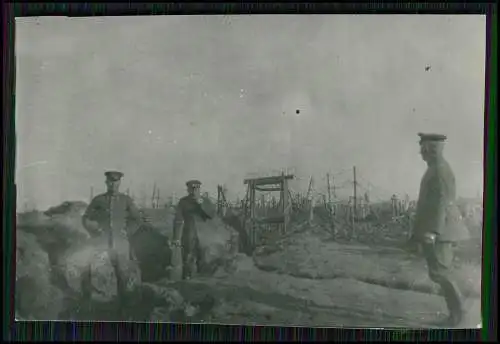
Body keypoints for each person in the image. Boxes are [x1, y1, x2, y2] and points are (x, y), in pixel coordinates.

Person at [407, 133, 470, 327]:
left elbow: (441, 202)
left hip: (441, 231)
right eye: (422, 149)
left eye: (426, 149)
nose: (422, 153)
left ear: (434, 150)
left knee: (441, 272)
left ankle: (459, 314)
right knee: (439, 272)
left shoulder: (439, 170)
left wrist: (433, 231)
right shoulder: (435, 169)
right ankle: (457, 312)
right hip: (439, 230)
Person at [81, 171, 143, 317]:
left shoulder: (126, 200)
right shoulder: (98, 200)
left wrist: (126, 232)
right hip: (102, 244)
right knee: (100, 275)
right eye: (110, 182)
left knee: (125, 276)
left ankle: (127, 309)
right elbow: (85, 218)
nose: (113, 185)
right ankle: (104, 309)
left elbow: (137, 219)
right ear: (106, 183)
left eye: (116, 182)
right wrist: (95, 229)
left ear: (119, 183)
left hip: (121, 244)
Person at [171, 180, 213, 280]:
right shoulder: (183, 202)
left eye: (196, 189)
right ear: (188, 190)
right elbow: (178, 219)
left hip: (205, 235)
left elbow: (211, 215)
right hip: (189, 233)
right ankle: (188, 279)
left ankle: (204, 280)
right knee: (188, 258)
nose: (194, 191)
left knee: (205, 258)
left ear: (199, 189)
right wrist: (176, 238)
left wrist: (202, 204)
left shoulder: (206, 201)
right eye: (192, 189)